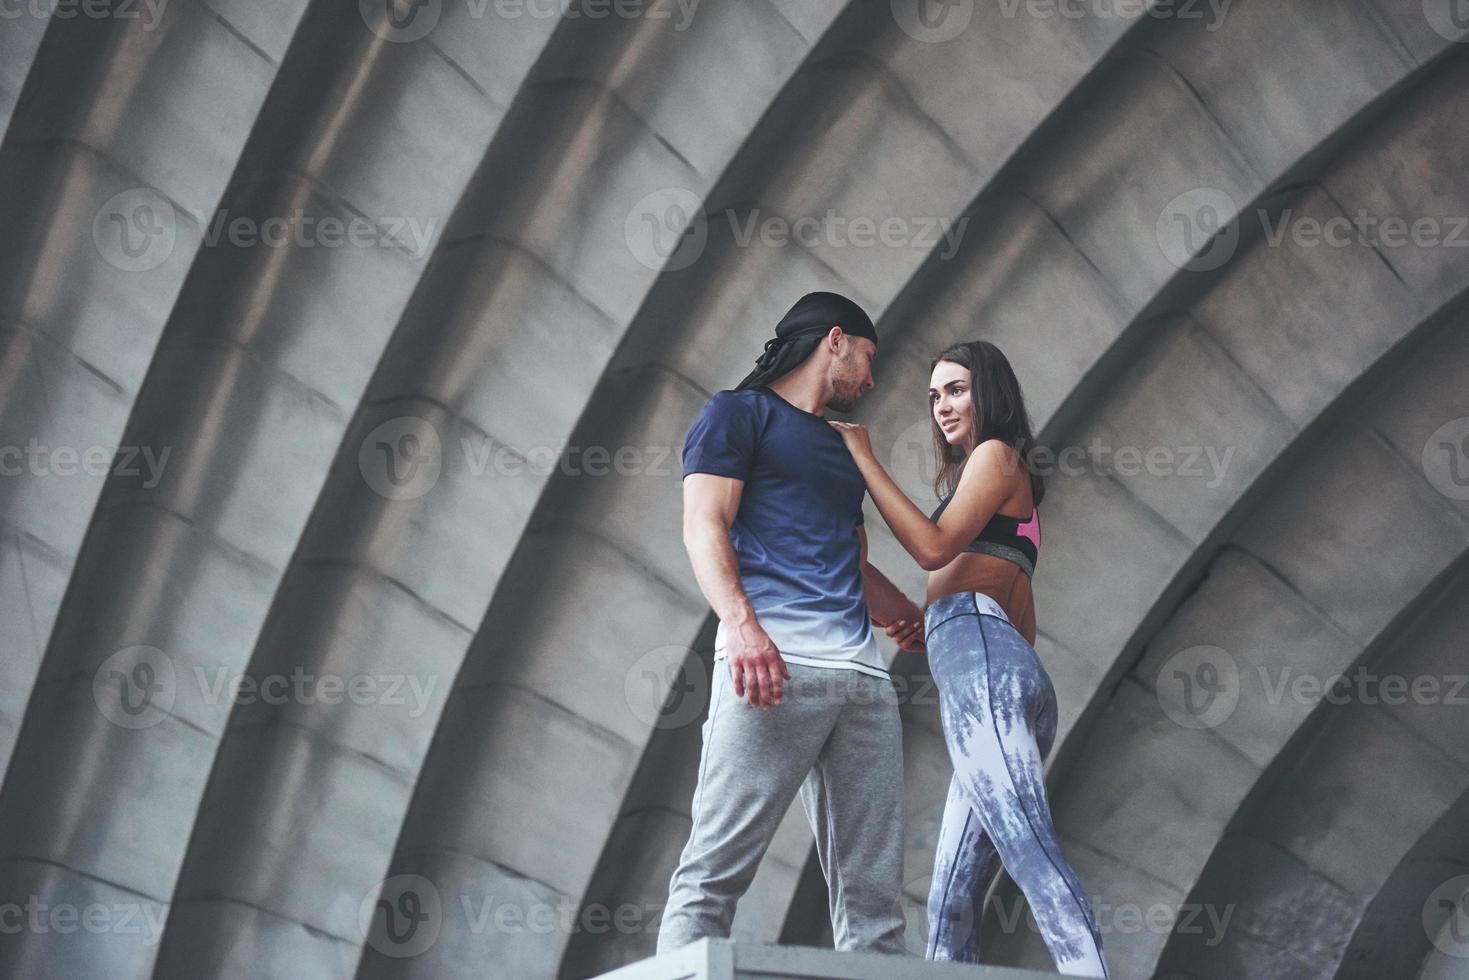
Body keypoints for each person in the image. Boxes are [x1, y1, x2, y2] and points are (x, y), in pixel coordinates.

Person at [827, 340, 1110, 977]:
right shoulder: (1016, 491)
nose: (942, 407)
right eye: (934, 396)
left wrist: (864, 457)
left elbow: (931, 548)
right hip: (1000, 670)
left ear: (991, 392)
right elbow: (1012, 622)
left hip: (986, 674)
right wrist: (939, 622)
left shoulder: (995, 455)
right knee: (951, 896)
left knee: (1028, 848)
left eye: (956, 390)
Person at [657, 292, 927, 956]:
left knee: (873, 900)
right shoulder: (736, 413)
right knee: (713, 873)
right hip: (772, 666)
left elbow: (847, 560)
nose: (871, 378)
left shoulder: (843, 449)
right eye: (868, 357)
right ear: (834, 340)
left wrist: (904, 614)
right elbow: (703, 523)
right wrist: (742, 627)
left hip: (861, 681)